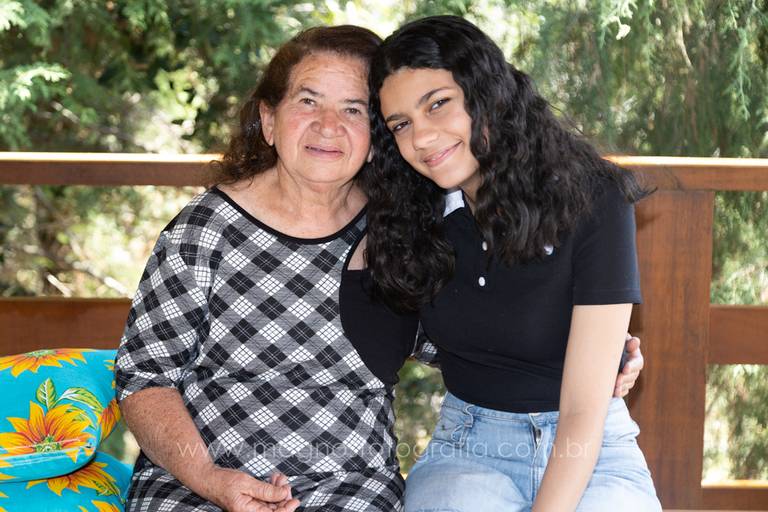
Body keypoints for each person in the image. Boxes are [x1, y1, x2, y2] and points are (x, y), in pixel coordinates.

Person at [115, 23, 646, 512]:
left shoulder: (396, 225)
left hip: (351, 489)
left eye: (352, 110)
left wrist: (597, 347)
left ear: (373, 140)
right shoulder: (205, 230)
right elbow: (144, 377)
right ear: (269, 121)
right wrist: (209, 479)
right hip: (203, 488)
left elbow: (462, 331)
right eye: (308, 101)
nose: (328, 126)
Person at [363, 15, 661, 512]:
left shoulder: (593, 198)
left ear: (487, 93)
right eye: (401, 124)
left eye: (438, 104)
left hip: (590, 446)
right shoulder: (409, 215)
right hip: (470, 446)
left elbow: (584, 409)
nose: (422, 138)